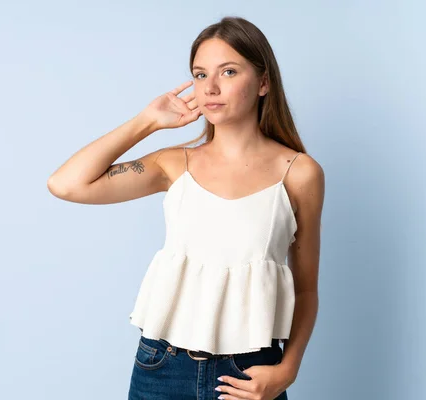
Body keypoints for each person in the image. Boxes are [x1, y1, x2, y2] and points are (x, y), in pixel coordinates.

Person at [47, 16, 324, 400]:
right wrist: (147, 122)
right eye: (199, 74)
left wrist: (286, 372)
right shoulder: (174, 165)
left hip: (250, 374)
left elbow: (306, 290)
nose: (210, 87)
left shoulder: (299, 173)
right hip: (162, 367)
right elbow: (65, 184)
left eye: (228, 71)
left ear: (263, 82)